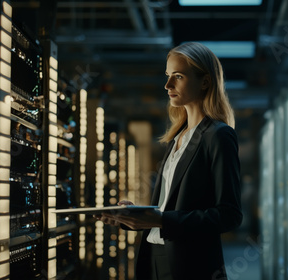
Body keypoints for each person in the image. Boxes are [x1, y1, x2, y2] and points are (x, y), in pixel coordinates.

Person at [100, 42, 242, 280]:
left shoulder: (218, 135)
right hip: (155, 258)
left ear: (205, 81)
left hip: (191, 266)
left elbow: (229, 215)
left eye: (178, 76)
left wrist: (162, 220)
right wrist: (133, 216)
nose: (167, 85)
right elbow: (170, 206)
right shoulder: (177, 138)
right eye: (167, 76)